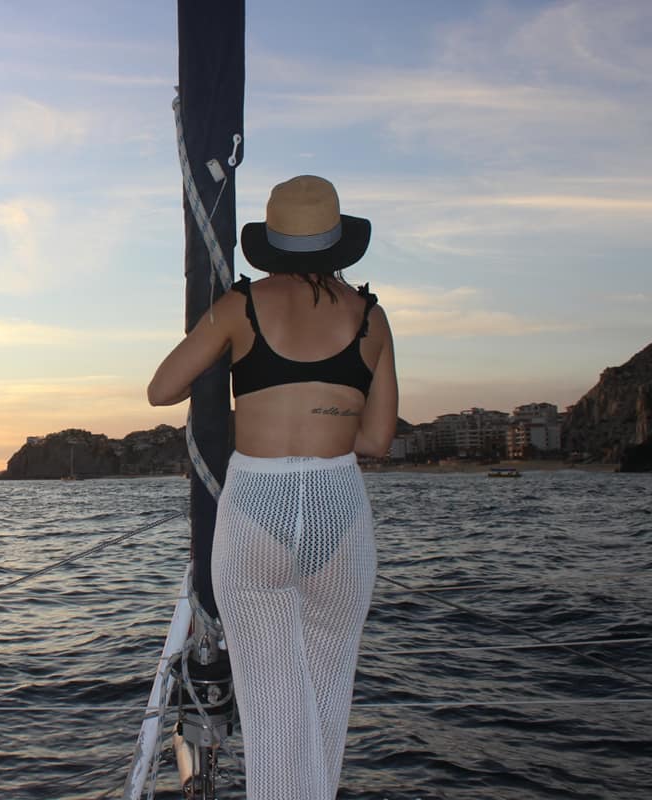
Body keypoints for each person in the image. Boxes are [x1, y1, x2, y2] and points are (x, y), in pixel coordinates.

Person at [147, 175, 397, 799]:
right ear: (339, 243)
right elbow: (375, 441)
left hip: (258, 505)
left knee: (272, 710)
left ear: (274, 243)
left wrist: (232, 372)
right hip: (339, 509)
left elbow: (162, 388)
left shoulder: (243, 305)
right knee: (324, 698)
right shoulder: (371, 316)